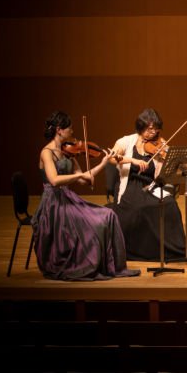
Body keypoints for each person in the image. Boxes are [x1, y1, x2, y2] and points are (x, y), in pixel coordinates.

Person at [32, 111, 139, 280]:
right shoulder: (46, 152)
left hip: (67, 198)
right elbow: (54, 180)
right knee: (94, 224)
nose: (73, 132)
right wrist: (79, 176)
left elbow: (84, 178)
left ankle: (114, 266)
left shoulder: (68, 152)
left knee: (109, 214)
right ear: (59, 130)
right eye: (70, 129)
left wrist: (103, 163)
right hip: (53, 205)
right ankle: (88, 263)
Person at [109, 108, 187, 263]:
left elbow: (163, 174)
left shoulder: (159, 143)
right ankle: (142, 249)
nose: (153, 132)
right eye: (150, 129)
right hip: (130, 185)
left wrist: (166, 157)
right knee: (140, 208)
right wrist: (133, 161)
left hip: (151, 186)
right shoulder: (126, 141)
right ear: (141, 126)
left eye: (156, 129)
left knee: (169, 204)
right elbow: (111, 158)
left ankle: (173, 251)